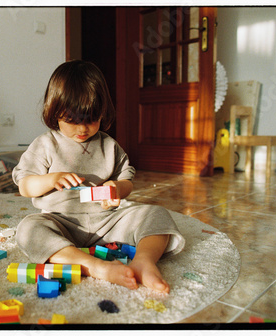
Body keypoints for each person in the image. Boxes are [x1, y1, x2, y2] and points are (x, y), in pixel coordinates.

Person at [12, 60, 185, 293]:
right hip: (61, 222)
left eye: (91, 119)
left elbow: (126, 179)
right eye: (72, 121)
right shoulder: (45, 144)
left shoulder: (108, 145)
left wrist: (117, 188)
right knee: (28, 229)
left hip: (107, 222)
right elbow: (24, 185)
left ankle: (144, 261)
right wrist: (51, 179)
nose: (82, 129)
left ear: (102, 113)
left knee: (156, 214)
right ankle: (92, 266)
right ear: (55, 112)